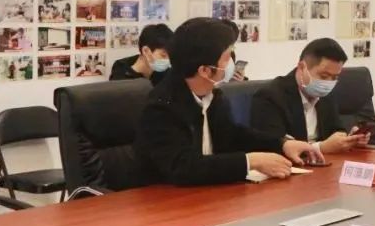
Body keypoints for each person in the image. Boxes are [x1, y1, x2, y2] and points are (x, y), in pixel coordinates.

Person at [135, 17, 319, 186]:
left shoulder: (213, 97)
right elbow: (183, 167)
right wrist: (250, 161)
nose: (231, 63)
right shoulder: (161, 106)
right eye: (227, 58)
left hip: (208, 194)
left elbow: (233, 136)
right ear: (205, 71)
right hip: (164, 200)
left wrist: (282, 144)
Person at [251, 38, 369, 154]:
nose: (328, 83)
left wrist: (348, 139)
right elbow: (274, 146)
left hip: (327, 163)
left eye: (335, 77)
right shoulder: (270, 96)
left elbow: (335, 130)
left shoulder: (326, 94)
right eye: (323, 76)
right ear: (302, 68)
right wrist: (320, 148)